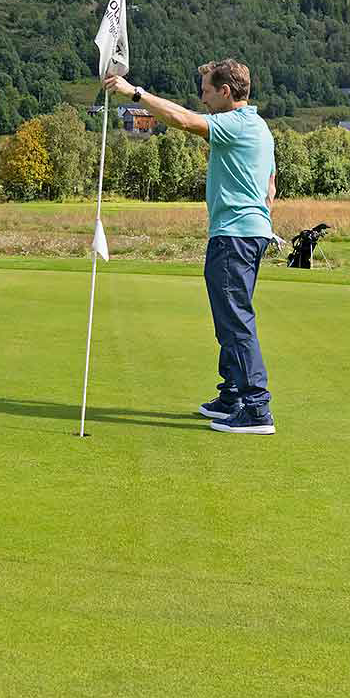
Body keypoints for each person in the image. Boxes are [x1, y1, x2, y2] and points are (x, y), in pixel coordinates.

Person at [103, 59, 278, 435]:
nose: (202, 97)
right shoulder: (260, 127)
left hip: (233, 236)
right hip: (249, 232)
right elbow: (271, 185)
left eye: (206, 90)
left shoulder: (233, 124)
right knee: (229, 320)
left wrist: (134, 93)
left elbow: (182, 120)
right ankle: (232, 394)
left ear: (225, 92)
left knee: (235, 322)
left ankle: (257, 408)